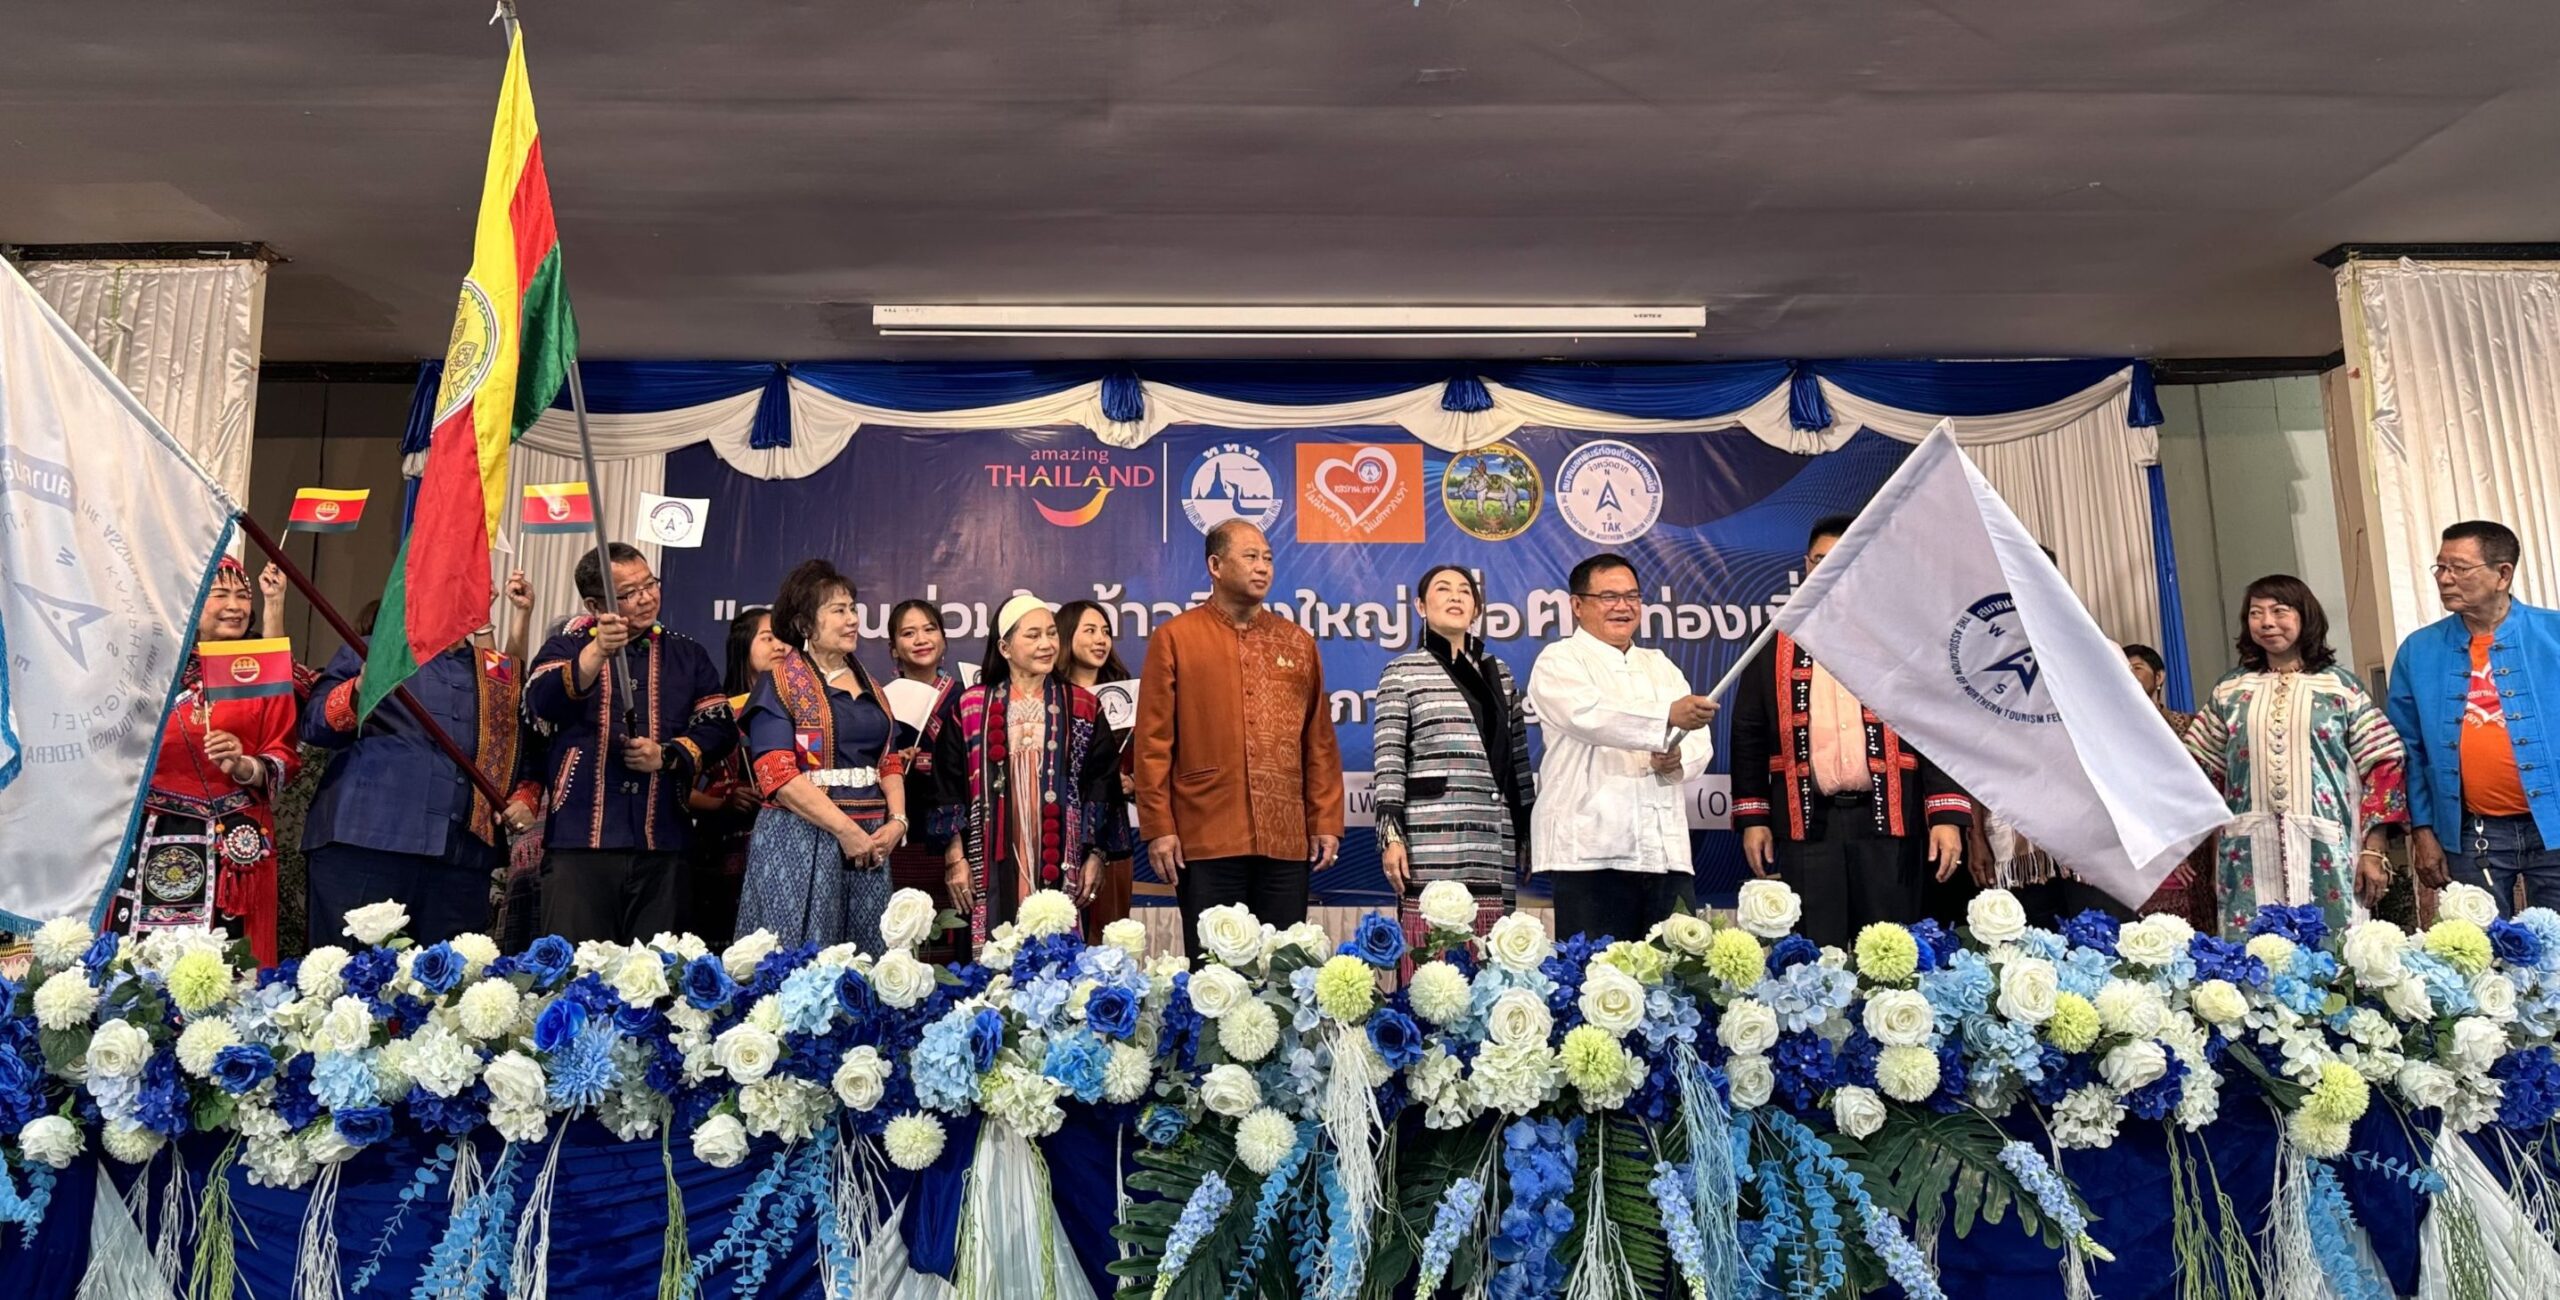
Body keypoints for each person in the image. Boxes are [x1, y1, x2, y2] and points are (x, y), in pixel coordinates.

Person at [1731, 516, 1971, 950]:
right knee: (1813, 954)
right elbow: (1749, 734)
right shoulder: (1773, 639)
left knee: (1891, 954)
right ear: (1806, 565)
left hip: (1890, 820)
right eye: (1820, 560)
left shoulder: (1902, 637)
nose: (1829, 570)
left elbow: (1937, 727)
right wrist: (1754, 819)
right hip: (1808, 824)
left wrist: (1946, 816)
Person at [1133, 521, 1344, 956]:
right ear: (1215, 565)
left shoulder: (1297, 642)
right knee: (1214, 973)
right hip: (1205, 835)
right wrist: (1159, 828)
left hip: (1286, 838)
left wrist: (1325, 820)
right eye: (1250, 557)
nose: (1262, 567)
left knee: (1283, 971)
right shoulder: (1175, 638)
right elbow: (1153, 745)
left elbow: (1319, 741)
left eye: (1267, 558)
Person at [302, 589, 540, 947]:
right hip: (367, 843)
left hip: (461, 859)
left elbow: (527, 745)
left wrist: (526, 796)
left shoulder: (497, 670)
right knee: (349, 974)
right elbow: (315, 726)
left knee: (450, 978)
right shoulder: (372, 649)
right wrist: (360, 687)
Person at [524, 544, 736, 945]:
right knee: (578, 970)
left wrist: (668, 754)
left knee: (657, 971)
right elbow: (540, 704)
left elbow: (720, 727)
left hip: (664, 843)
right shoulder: (567, 648)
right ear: (594, 604)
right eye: (629, 593)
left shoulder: (686, 654)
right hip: (581, 842)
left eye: (650, 584)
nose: (646, 598)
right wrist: (596, 653)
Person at [2186, 575, 2407, 936]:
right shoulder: (2230, 691)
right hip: (2247, 856)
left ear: (2305, 616)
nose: (2267, 622)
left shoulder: (2341, 688)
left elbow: (2384, 764)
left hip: (2329, 853)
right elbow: (2199, 773)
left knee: (2335, 954)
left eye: (2279, 611)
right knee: (2254, 956)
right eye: (2256, 613)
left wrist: (2374, 849)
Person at [109, 558, 302, 965]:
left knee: (229, 968)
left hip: (232, 842)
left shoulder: (257, 670)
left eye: (243, 596)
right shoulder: (152, 668)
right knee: (142, 964)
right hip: (154, 831)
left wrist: (244, 765)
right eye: (221, 595)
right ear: (193, 602)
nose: (235, 606)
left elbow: (282, 752)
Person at [1527, 553, 1716, 943]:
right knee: (1597, 974)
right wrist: (1666, 717)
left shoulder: (1660, 664)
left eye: (1632, 596)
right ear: (1577, 605)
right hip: (1590, 855)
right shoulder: (1559, 660)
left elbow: (1698, 737)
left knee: (1675, 974)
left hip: (1665, 854)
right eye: (1609, 596)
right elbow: (1589, 716)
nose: (1623, 606)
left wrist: (1676, 758)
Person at [737, 559, 913, 951]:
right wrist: (846, 832)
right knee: (799, 962)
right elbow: (778, 775)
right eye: (838, 611)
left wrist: (897, 822)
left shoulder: (871, 686)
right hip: (801, 840)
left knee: (866, 965)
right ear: (804, 625)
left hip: (870, 846)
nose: (852, 620)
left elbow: (888, 760)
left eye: (853, 608)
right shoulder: (779, 684)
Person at [2387, 519, 2560, 916]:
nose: (2444, 578)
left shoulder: (2554, 634)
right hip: (2470, 832)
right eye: (2441, 567)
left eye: (2459, 568)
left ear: (2503, 574)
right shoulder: (2419, 650)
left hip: (2555, 824)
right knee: (2477, 948)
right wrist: (2423, 831)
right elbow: (2407, 751)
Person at [931, 596, 1122, 950]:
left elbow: (1103, 785)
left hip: (1063, 858)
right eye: (1033, 636)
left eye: (1051, 633)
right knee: (992, 957)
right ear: (1004, 648)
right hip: (989, 860)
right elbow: (947, 787)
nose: (1047, 644)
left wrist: (1097, 855)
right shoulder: (971, 707)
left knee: (1059, 960)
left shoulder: (1082, 705)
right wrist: (955, 859)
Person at [1374, 564, 1535, 945]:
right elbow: (1389, 761)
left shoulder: (1501, 673)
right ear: (1420, 606)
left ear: (1476, 608)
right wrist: (1391, 837)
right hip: (1430, 837)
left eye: (1465, 591)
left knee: (1492, 955)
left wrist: (1527, 830)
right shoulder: (1401, 672)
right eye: (1443, 589)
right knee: (1433, 953)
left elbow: (1518, 760)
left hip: (1492, 835)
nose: (1455, 596)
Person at [683, 605, 781, 948]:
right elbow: (681, 788)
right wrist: (724, 801)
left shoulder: (800, 710)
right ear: (743, 646)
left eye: (783, 638)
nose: (779, 646)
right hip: (721, 850)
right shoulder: (716, 714)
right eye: (768, 638)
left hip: (780, 847)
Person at [882, 598, 966, 962]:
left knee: (952, 942)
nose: (921, 639)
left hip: (955, 838)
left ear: (944, 640)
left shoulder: (966, 698)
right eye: (908, 633)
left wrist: (933, 762)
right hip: (902, 836)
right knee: (901, 945)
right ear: (893, 648)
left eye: (930, 629)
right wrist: (891, 765)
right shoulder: (880, 702)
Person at [1056, 598, 1143, 941]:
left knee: (1108, 938)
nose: (1100, 640)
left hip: (1111, 833)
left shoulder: (1128, 699)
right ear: (1065, 636)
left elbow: (1149, 767)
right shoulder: (1051, 697)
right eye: (1090, 630)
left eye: (1105, 632)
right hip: (1058, 831)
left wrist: (1131, 784)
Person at [2120, 643, 2221, 932]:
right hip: (2143, 848)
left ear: (2159, 677)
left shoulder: (2190, 726)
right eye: (2123, 669)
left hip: (2195, 846)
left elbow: (2211, 788)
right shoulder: (2114, 732)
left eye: (2137, 668)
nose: (2129, 674)